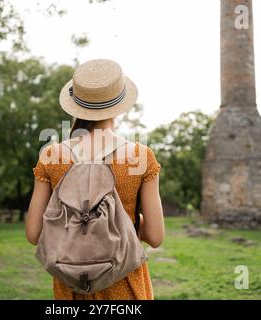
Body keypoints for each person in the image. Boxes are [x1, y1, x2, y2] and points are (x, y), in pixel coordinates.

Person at [26, 59, 165, 300]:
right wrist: (124, 219)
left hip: (71, 286)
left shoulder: (51, 156)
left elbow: (34, 234)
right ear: (119, 104)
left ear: (76, 105)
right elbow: (155, 236)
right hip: (126, 283)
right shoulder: (140, 156)